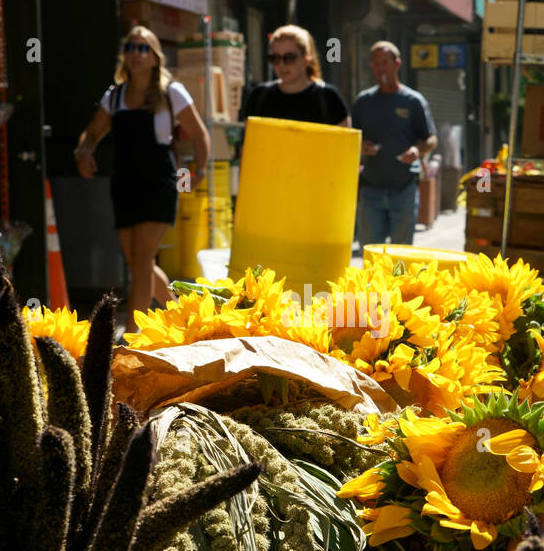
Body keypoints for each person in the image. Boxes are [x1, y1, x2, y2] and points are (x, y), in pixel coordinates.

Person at [74, 26, 210, 332]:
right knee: (140, 264)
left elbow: (199, 135)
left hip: (159, 182)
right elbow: (92, 134)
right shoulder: (115, 95)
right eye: (130, 47)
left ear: (154, 57)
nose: (135, 54)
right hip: (124, 184)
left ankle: (132, 335)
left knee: (142, 260)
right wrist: (83, 153)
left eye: (143, 48)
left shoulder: (171, 92)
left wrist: (197, 171)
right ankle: (188, 318)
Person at [350, 41, 437, 249]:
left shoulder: (413, 100)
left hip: (404, 189)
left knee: (400, 256)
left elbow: (431, 139)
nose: (381, 68)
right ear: (372, 67)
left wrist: (418, 150)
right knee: (371, 256)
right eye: (376, 63)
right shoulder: (364, 101)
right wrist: (361, 146)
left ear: (397, 64)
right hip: (371, 190)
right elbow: (350, 137)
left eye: (385, 63)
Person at [241, 25, 349, 126]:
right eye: (275, 58)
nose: (281, 64)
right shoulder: (258, 97)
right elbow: (248, 144)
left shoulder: (329, 98)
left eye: (289, 57)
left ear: (306, 58)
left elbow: (346, 144)